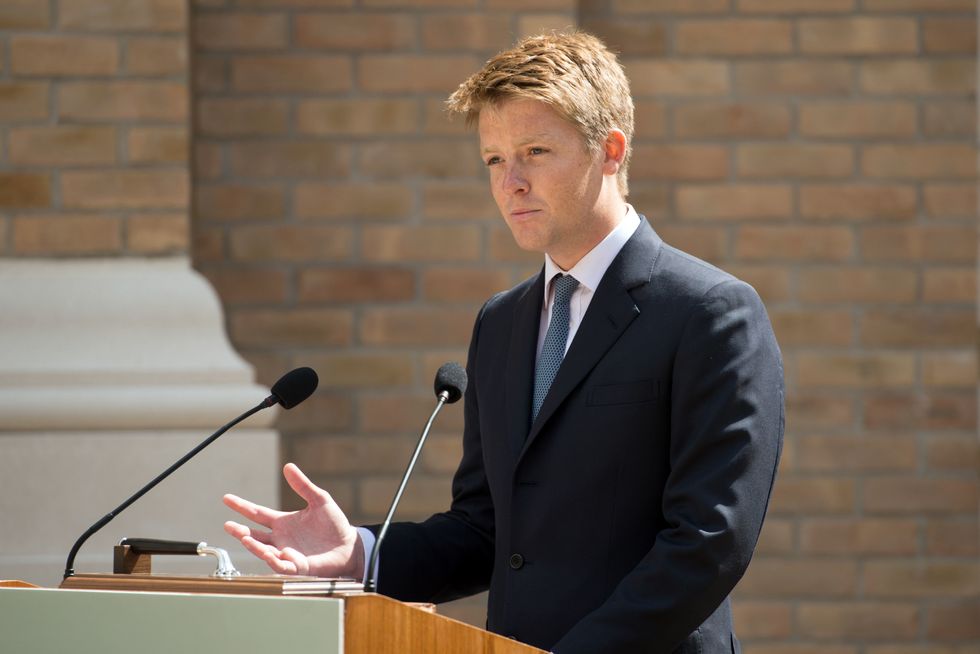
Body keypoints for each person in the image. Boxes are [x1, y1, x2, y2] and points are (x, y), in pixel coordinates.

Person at [223, 31, 784, 654]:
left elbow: (709, 544)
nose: (509, 182)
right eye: (493, 159)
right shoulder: (502, 322)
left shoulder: (711, 312)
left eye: (535, 151)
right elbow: (487, 531)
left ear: (611, 151)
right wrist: (361, 551)